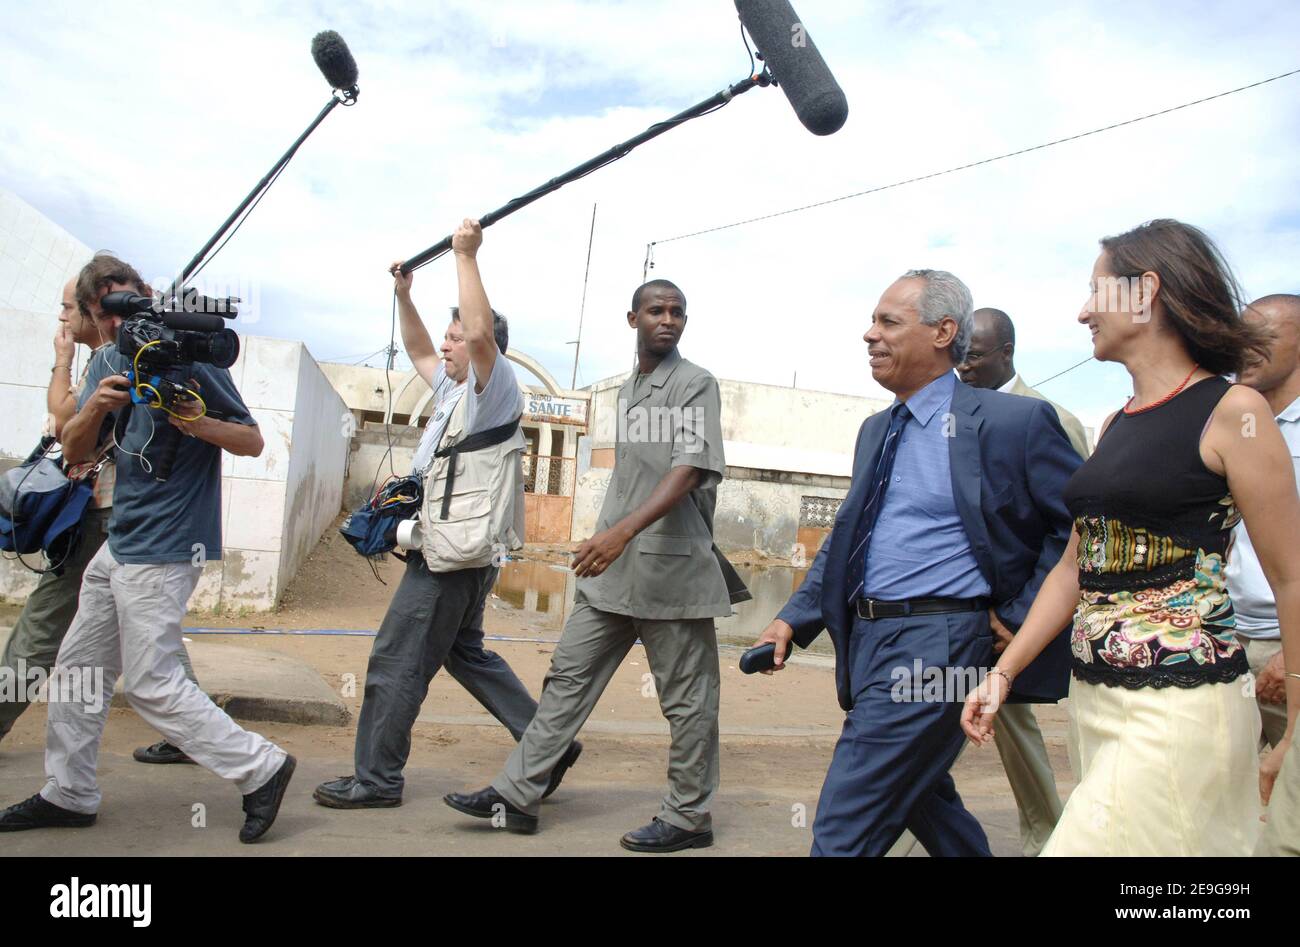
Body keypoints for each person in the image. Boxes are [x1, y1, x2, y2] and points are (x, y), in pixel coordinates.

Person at [962, 219, 1300, 856]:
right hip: (1095, 701)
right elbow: (1072, 569)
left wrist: (1296, 734)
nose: (1083, 310)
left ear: (1144, 292)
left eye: (1096, 292)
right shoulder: (1116, 422)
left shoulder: (1235, 413)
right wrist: (1003, 675)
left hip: (1181, 704)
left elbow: (1291, 575)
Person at [751, 269, 1080, 857]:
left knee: (844, 826)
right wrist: (793, 619)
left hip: (939, 643)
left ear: (942, 331)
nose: (869, 335)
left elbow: (1079, 528)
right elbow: (850, 539)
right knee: (924, 795)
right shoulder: (877, 429)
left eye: (888, 322)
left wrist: (1025, 613)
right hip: (869, 638)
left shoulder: (1013, 424)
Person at [0, 253, 295, 844]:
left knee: (152, 683)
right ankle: (70, 792)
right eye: (105, 312)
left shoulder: (184, 350)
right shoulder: (108, 358)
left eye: (127, 303)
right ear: (90, 315)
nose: (118, 323)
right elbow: (76, 449)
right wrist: (95, 407)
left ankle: (261, 766)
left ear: (147, 295)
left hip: (168, 544)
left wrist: (193, 422)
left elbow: (252, 439)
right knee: (79, 672)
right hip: (120, 542)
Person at [444, 277, 736, 853]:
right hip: (614, 568)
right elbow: (634, 479)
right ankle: (517, 794)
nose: (668, 320)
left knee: (687, 701)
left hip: (669, 572)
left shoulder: (695, 384)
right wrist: (607, 533)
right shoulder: (631, 391)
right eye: (656, 310)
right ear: (633, 320)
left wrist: (622, 532)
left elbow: (690, 470)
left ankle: (688, 816)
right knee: (566, 682)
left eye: (678, 312)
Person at [313, 219, 580, 810]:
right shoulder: (454, 389)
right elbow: (414, 348)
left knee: (395, 662)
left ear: (481, 347)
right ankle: (550, 746)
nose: (447, 346)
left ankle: (377, 780)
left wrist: (466, 255)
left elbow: (481, 335)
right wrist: (404, 294)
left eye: (454, 338)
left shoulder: (495, 385)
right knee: (466, 654)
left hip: (449, 559)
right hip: (460, 550)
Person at [0, 266, 200, 762]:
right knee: (149, 632)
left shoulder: (112, 357)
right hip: (113, 512)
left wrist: (62, 359)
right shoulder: (107, 357)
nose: (65, 317)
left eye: (71, 308)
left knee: (44, 625)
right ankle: (189, 733)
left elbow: (65, 424)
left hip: (100, 512)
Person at [954, 305, 1089, 856]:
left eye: (976, 355)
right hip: (959, 611)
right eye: (960, 354)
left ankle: (1048, 837)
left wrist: (1019, 617)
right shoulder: (949, 416)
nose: (963, 366)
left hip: (1020, 619)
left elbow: (1075, 533)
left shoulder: (1050, 417)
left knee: (1006, 723)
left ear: (1006, 352)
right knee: (937, 725)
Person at [1229, 294, 1300, 752]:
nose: (1245, 349)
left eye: (1263, 338)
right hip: (1228, 644)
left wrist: (1292, 656)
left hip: (1285, 645)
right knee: (1229, 803)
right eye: (1240, 338)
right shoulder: (1229, 427)